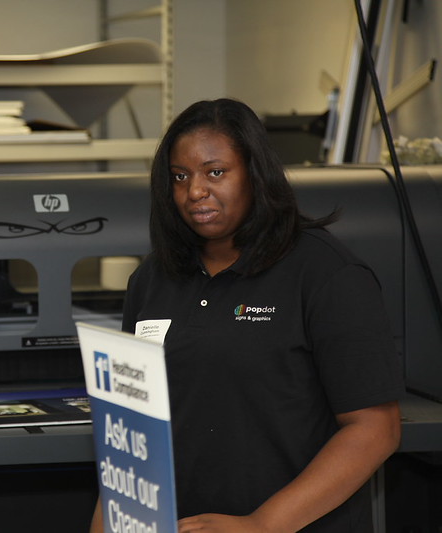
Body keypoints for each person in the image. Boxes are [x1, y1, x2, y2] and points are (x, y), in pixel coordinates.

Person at [91, 99, 403, 532]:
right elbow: (130, 430)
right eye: (180, 176)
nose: (194, 190)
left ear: (255, 173)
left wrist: (261, 524)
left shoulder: (325, 272)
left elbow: (375, 429)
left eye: (215, 172)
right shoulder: (152, 279)